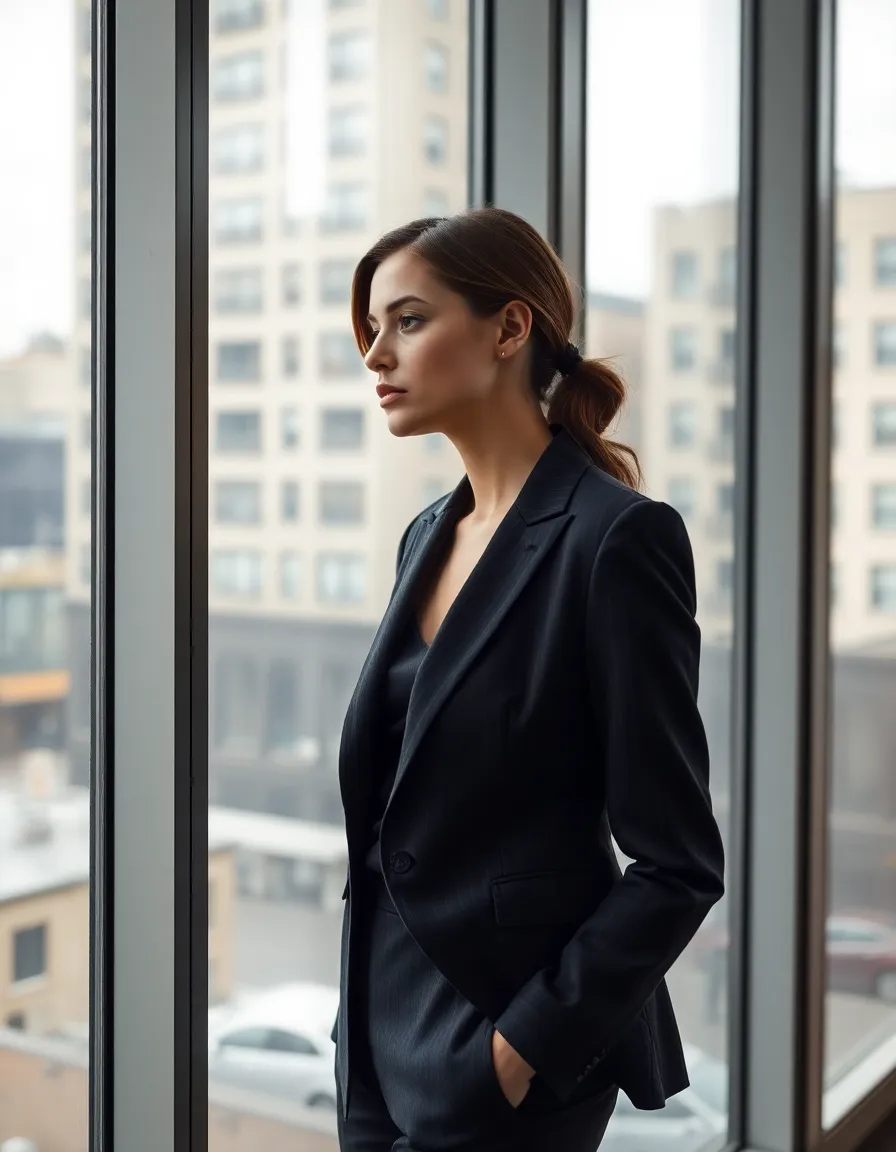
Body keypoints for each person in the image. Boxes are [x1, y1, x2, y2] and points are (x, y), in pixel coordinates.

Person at [330, 206, 725, 1152]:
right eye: (371, 329)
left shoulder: (617, 540)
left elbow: (678, 863)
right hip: (377, 1046)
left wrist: (522, 1048)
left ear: (510, 329)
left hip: (502, 1055)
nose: (377, 354)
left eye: (409, 321)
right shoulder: (426, 536)